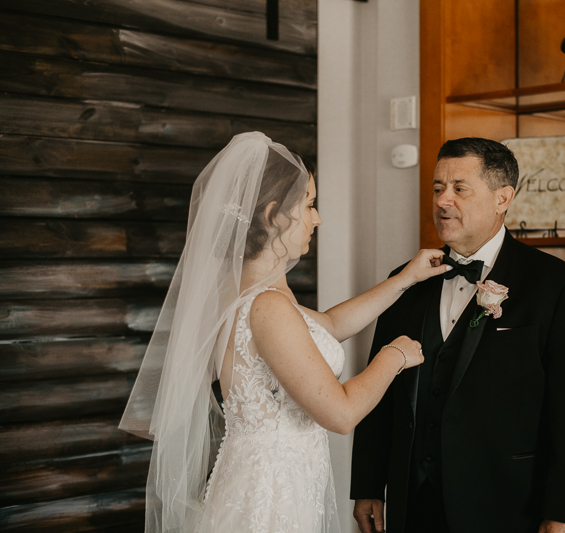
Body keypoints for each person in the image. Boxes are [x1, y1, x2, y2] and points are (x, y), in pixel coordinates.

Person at [119, 132, 450, 533]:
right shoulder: (268, 307)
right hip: (270, 497)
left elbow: (326, 325)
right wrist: (393, 356)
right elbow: (341, 414)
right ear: (273, 214)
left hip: (274, 482)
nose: (318, 218)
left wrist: (405, 280)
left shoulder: (261, 295)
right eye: (309, 204)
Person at [351, 137, 565, 533]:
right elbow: (381, 392)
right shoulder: (406, 280)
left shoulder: (557, 286)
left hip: (506, 502)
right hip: (414, 499)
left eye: (459, 189)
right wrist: (367, 484)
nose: (442, 201)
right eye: (437, 188)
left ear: (503, 198)